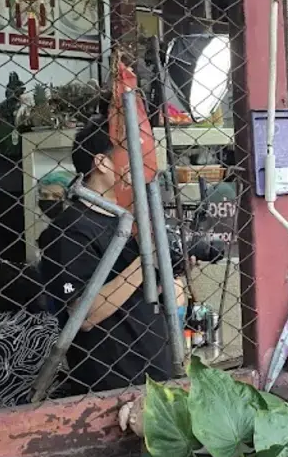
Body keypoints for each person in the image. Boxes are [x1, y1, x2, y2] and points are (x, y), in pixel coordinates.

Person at [39, 114, 183, 393]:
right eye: (130, 153)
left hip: (155, 376)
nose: (142, 162)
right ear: (102, 162)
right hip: (109, 385)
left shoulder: (131, 221)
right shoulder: (69, 230)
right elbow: (85, 314)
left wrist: (170, 271)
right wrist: (147, 260)